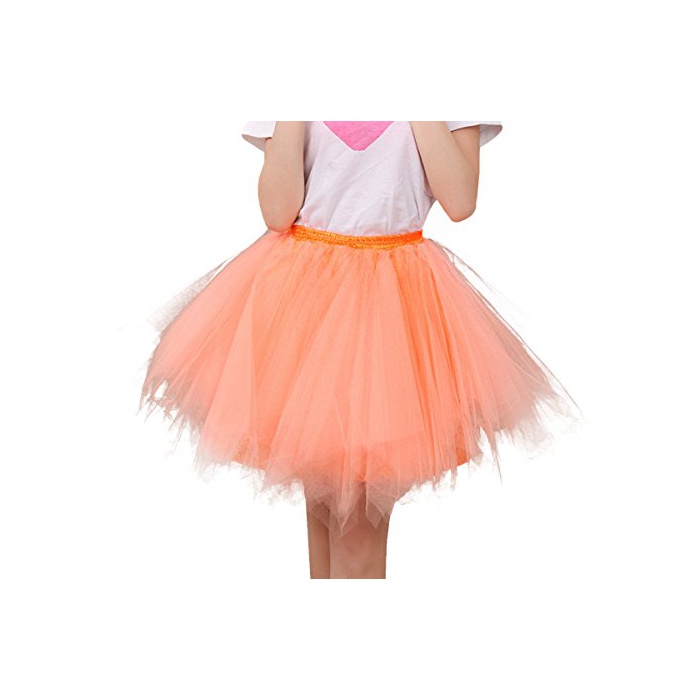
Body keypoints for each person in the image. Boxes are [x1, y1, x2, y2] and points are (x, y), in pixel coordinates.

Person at [137, 121, 583, 579]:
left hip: (390, 304)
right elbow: (277, 212)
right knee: (324, 513)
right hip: (304, 297)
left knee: (356, 530)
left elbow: (460, 201)